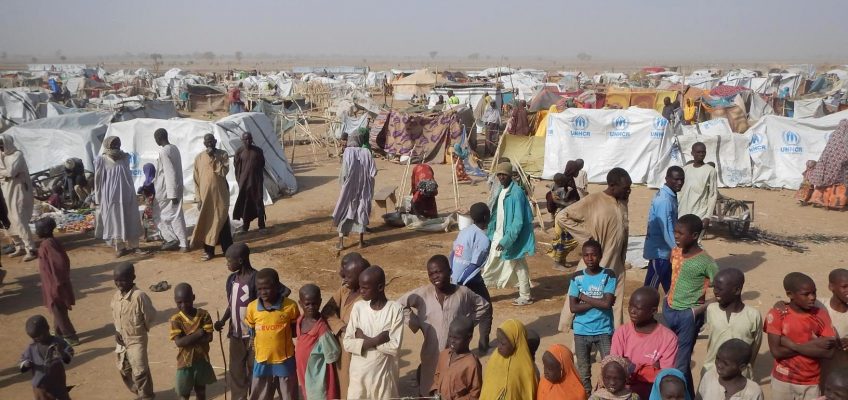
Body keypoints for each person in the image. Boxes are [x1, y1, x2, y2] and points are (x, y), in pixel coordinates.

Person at [397, 255, 492, 395]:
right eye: (431, 274)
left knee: (451, 388)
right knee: (428, 389)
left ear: (450, 271)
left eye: (439, 272)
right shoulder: (423, 293)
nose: (435, 276)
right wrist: (416, 323)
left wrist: (466, 324)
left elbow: (483, 306)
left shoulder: (463, 293)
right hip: (431, 353)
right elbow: (399, 305)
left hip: (455, 354)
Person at [557, 167, 631, 328]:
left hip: (617, 265)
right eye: (625, 188)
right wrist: (587, 238)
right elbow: (562, 217)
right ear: (612, 186)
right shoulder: (593, 200)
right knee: (587, 304)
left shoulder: (622, 202)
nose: (629, 191)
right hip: (597, 263)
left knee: (614, 306)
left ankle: (613, 340)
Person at [663, 214, 718, 397]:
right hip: (669, 309)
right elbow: (674, 276)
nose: (676, 236)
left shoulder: (706, 261)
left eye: (680, 233)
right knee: (670, 357)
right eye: (675, 232)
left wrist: (701, 308)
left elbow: (721, 285)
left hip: (689, 316)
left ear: (694, 236)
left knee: (681, 362)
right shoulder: (675, 252)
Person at [766, 272, 836, 400]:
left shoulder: (821, 315)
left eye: (814, 292)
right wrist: (813, 345)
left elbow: (829, 352)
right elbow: (776, 352)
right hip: (782, 379)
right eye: (806, 294)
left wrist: (791, 344)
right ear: (790, 294)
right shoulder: (778, 314)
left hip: (810, 382)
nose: (812, 297)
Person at [343, 266, 404, 400]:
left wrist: (362, 339)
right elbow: (347, 343)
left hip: (383, 379)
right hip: (358, 377)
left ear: (380, 287)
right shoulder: (359, 308)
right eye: (360, 287)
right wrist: (377, 340)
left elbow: (394, 347)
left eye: (365, 288)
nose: (361, 291)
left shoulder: (395, 310)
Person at [481, 162, 537, 306]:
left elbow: (518, 222)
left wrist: (506, 240)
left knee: (517, 264)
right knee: (494, 263)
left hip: (510, 237)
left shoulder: (516, 193)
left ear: (510, 175)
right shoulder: (501, 189)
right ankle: (482, 294)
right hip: (499, 234)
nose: (501, 177)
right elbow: (497, 214)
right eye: (499, 174)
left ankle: (525, 296)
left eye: (504, 175)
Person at [611, 287, 678, 399]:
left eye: (638, 308)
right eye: (630, 306)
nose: (632, 311)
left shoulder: (669, 338)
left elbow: (665, 377)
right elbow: (614, 368)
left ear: (653, 311)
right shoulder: (622, 332)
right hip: (623, 393)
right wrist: (651, 370)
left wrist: (632, 367)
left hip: (652, 393)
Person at [569, 240, 617, 394]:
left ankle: (605, 395)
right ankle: (587, 396)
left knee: (609, 369)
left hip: (604, 330)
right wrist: (600, 301)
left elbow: (607, 304)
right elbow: (573, 307)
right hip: (581, 331)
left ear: (601, 256)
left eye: (594, 255)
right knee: (583, 373)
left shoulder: (609, 275)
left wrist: (583, 296)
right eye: (586, 255)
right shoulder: (576, 277)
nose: (589, 259)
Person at [245, 268, 300, 400]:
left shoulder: (290, 306)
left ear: (277, 287)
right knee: (260, 393)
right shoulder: (252, 308)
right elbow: (252, 331)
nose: (262, 292)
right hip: (262, 359)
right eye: (259, 289)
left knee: (287, 393)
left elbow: (294, 330)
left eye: (267, 288)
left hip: (284, 359)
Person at [321, 252, 370, 399]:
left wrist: (342, 327)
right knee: (340, 383)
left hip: (355, 351)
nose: (343, 278)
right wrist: (342, 327)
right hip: (340, 346)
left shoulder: (366, 300)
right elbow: (327, 310)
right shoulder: (345, 290)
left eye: (348, 276)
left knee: (352, 386)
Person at [213, 243, 258, 400]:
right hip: (236, 334)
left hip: (254, 336)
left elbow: (283, 291)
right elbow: (232, 304)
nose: (227, 264)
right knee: (236, 370)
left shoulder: (257, 278)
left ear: (240, 260)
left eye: (229, 261)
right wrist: (223, 320)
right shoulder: (232, 280)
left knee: (255, 369)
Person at [701, 268, 762, 379]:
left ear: (737, 290)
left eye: (719, 288)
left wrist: (747, 369)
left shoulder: (753, 315)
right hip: (711, 370)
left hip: (740, 375)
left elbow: (755, 347)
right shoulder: (711, 309)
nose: (715, 291)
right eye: (714, 287)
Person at [95, 136, 147, 258]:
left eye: (118, 143)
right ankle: (120, 247)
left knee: (131, 218)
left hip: (127, 194)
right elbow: (98, 181)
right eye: (114, 144)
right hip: (111, 197)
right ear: (108, 145)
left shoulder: (125, 157)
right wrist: (98, 198)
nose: (117, 146)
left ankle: (135, 246)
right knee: (115, 221)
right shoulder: (101, 160)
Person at [111, 262, 157, 400]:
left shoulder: (139, 296)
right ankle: (138, 391)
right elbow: (115, 315)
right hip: (122, 340)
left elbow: (150, 316)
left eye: (123, 280)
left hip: (137, 339)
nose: (119, 283)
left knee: (140, 369)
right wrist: (117, 331)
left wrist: (142, 329)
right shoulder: (116, 297)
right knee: (124, 368)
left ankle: (147, 396)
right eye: (116, 280)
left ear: (133, 278)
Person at [35, 217, 79, 346]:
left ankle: (70, 335)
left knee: (58, 310)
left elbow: (59, 263)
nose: (36, 231)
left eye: (37, 229)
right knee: (59, 310)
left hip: (54, 284)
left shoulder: (48, 244)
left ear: (46, 230)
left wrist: (58, 283)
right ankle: (59, 332)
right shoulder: (50, 242)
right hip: (52, 283)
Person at [169, 283, 216, 400]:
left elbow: (209, 338)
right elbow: (179, 343)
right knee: (184, 394)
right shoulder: (176, 319)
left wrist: (187, 339)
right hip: (184, 363)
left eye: (187, 301)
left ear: (193, 298)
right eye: (179, 302)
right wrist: (198, 333)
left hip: (202, 360)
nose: (183, 305)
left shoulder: (204, 315)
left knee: (201, 391)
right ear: (175, 301)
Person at [191, 134, 233, 261]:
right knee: (208, 223)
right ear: (204, 143)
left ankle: (228, 250)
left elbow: (223, 172)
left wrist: (214, 157)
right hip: (206, 198)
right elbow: (196, 180)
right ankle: (209, 252)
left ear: (215, 141)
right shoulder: (199, 158)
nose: (209, 143)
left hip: (220, 196)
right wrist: (198, 198)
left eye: (211, 141)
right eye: (207, 142)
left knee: (222, 220)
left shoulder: (223, 154)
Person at [332, 128, 376, 250]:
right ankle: (361, 242)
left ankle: (341, 243)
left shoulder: (347, 152)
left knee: (345, 211)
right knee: (362, 211)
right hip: (364, 188)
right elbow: (373, 172)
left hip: (349, 189)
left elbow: (344, 172)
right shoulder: (367, 152)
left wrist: (343, 186)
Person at [295, 284, 340, 400]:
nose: (311, 307)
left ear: (320, 302)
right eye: (307, 304)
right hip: (304, 373)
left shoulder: (322, 329)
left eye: (314, 304)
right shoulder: (300, 321)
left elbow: (333, 354)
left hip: (317, 376)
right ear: (300, 303)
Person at [643, 166, 685, 292]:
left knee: (670, 286)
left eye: (682, 179)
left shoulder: (669, 195)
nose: (679, 182)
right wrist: (677, 250)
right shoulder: (665, 201)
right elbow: (666, 229)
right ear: (667, 179)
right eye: (676, 179)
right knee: (650, 289)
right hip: (660, 252)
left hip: (665, 251)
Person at [19, 315, 74, 400]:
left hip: (58, 383)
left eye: (39, 335)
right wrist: (26, 364)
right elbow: (23, 362)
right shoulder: (31, 347)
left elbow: (68, 357)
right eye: (34, 337)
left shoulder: (58, 342)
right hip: (40, 387)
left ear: (47, 328)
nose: (37, 339)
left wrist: (62, 353)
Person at [0, 134, 37, 261]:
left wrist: (3, 173)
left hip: (18, 190)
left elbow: (11, 172)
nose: (1, 148)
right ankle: (19, 246)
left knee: (19, 218)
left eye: (2, 145)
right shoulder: (2, 156)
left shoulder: (17, 155)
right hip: (6, 190)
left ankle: (31, 249)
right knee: (10, 220)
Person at [480, 319, 538, 399]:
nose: (499, 346)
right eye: (498, 341)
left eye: (503, 343)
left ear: (515, 341)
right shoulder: (494, 359)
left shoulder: (527, 369)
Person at [430, 316, 483, 400]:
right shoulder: (444, 355)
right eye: (450, 336)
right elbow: (437, 376)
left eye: (456, 338)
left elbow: (475, 393)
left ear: (469, 338)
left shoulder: (472, 364)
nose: (452, 341)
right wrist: (435, 391)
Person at [450, 202, 493, 303]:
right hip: (468, 279)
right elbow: (475, 265)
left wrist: (451, 273)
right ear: (485, 217)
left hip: (454, 276)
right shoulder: (483, 239)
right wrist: (460, 283)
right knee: (485, 304)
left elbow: (453, 254)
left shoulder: (464, 231)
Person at [153, 128, 188, 252]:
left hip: (167, 190)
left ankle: (172, 239)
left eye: (155, 138)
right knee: (175, 214)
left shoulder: (164, 151)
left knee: (159, 214)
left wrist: (172, 194)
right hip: (175, 187)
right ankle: (180, 242)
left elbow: (169, 172)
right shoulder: (174, 148)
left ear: (158, 138)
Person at [697, 339, 763, 400]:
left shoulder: (753, 391)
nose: (719, 365)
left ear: (742, 367)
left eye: (726, 364)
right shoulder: (709, 377)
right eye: (717, 358)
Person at [679, 142, 718, 235]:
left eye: (703, 152)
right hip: (683, 212)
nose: (701, 154)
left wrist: (708, 217)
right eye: (698, 152)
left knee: (694, 240)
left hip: (699, 213)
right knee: (682, 239)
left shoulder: (710, 171)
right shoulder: (685, 169)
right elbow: (679, 192)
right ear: (692, 153)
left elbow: (713, 195)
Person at [808, 119, 848, 210]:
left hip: (826, 163)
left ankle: (818, 200)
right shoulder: (845, 137)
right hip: (840, 165)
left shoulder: (834, 134)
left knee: (825, 183)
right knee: (838, 184)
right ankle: (835, 203)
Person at [233, 132, 267, 232]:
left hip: (256, 182)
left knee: (258, 201)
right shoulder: (239, 152)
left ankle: (261, 225)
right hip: (244, 182)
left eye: (249, 139)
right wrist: (240, 180)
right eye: (246, 139)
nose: (248, 141)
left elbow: (262, 164)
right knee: (246, 203)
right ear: (242, 140)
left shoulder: (258, 151)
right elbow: (237, 167)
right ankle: (245, 226)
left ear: (252, 139)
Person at [821, 268, 848, 385]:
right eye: (844, 286)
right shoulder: (819, 305)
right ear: (831, 287)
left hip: (840, 378)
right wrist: (780, 304)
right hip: (815, 374)